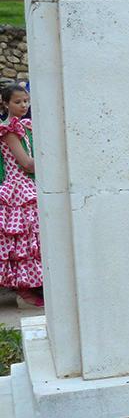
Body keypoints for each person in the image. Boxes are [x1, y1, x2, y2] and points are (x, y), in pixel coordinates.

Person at [0, 84, 42, 306]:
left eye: (26, 101)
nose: (24, 105)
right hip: (18, 188)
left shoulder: (26, 126)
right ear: (5, 103)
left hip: (28, 185)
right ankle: (25, 290)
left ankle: (37, 285)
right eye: (18, 102)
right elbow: (26, 163)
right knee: (23, 242)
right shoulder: (7, 131)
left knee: (34, 239)